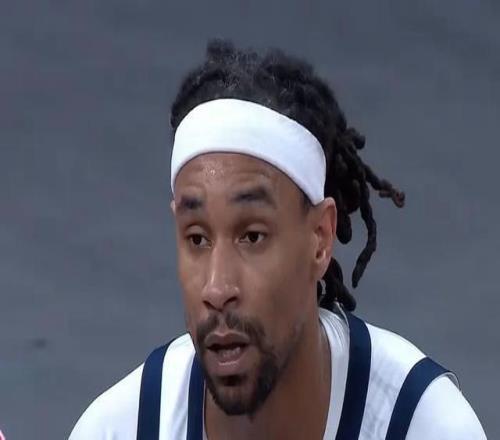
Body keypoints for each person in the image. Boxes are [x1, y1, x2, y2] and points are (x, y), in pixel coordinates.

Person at [69, 40, 486, 439]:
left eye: (252, 236)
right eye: (197, 239)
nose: (217, 288)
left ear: (320, 238)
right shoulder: (118, 430)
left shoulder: (424, 428)